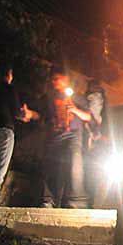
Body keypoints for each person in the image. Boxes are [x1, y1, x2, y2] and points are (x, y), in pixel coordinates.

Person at [0, 62, 37, 217]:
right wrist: (28, 115)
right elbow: (17, 113)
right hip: (5, 131)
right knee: (0, 170)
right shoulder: (9, 88)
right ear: (8, 75)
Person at [40, 69, 91, 209]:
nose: (54, 81)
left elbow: (88, 117)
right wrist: (30, 114)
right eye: (53, 79)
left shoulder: (77, 97)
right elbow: (41, 115)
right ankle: (49, 200)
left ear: (66, 79)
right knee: (51, 165)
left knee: (75, 164)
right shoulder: (49, 98)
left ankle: (76, 201)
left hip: (73, 134)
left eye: (58, 78)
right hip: (55, 135)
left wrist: (75, 110)